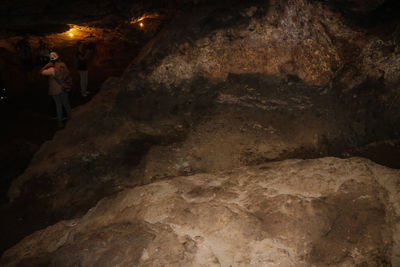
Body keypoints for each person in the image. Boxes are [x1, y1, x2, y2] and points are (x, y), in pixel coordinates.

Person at [40, 52, 72, 128]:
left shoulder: (51, 69)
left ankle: (60, 122)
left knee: (58, 105)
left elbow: (41, 72)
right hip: (64, 86)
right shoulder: (63, 65)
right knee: (66, 104)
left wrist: (47, 65)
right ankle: (71, 119)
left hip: (55, 89)